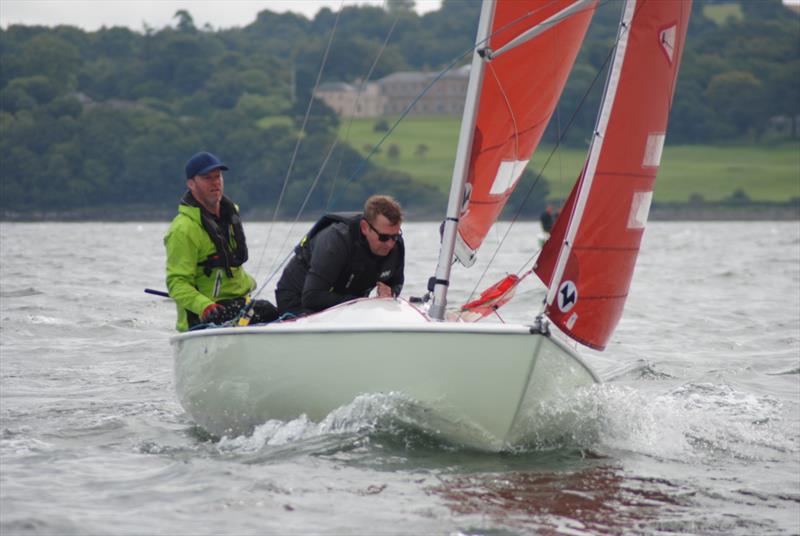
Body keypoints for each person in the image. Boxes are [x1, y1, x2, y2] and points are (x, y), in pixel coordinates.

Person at [164, 151, 278, 331]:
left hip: (239, 304)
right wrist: (204, 306)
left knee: (276, 311)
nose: (215, 182)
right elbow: (176, 283)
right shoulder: (182, 229)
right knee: (268, 313)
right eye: (207, 178)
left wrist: (249, 284)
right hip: (204, 319)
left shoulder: (229, 215)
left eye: (218, 176)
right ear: (191, 184)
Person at [275, 195, 405, 316]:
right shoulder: (335, 241)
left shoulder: (396, 245)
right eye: (383, 237)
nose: (390, 244)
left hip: (347, 302)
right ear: (365, 227)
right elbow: (311, 297)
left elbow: (396, 283)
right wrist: (362, 302)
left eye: (395, 236)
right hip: (297, 301)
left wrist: (390, 293)